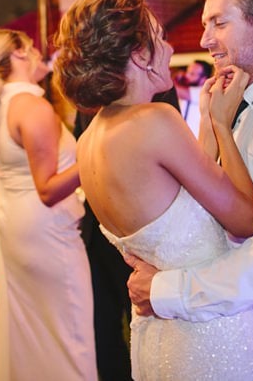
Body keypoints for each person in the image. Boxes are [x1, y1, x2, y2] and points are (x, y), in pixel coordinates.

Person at [54, 0, 253, 380]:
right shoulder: (156, 121)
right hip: (207, 334)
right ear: (139, 54)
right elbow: (246, 220)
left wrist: (208, 122)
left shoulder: (90, 140)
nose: (169, 49)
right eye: (160, 37)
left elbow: (182, 198)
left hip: (157, 335)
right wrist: (223, 125)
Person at [0, 28, 96, 381]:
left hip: (10, 220)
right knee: (69, 329)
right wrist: (97, 153)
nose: (40, 52)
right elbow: (48, 190)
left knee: (26, 329)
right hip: (43, 229)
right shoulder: (31, 106)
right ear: (18, 54)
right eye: (32, 47)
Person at [74, 86, 180, 381]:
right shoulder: (87, 94)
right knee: (103, 324)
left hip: (144, 234)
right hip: (99, 229)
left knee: (146, 323)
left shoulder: (157, 92)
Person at [175, 59, 213, 135]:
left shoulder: (205, 92)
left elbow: (178, 91)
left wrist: (174, 80)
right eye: (187, 72)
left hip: (196, 140)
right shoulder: (186, 89)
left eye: (192, 74)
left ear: (203, 78)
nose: (186, 76)